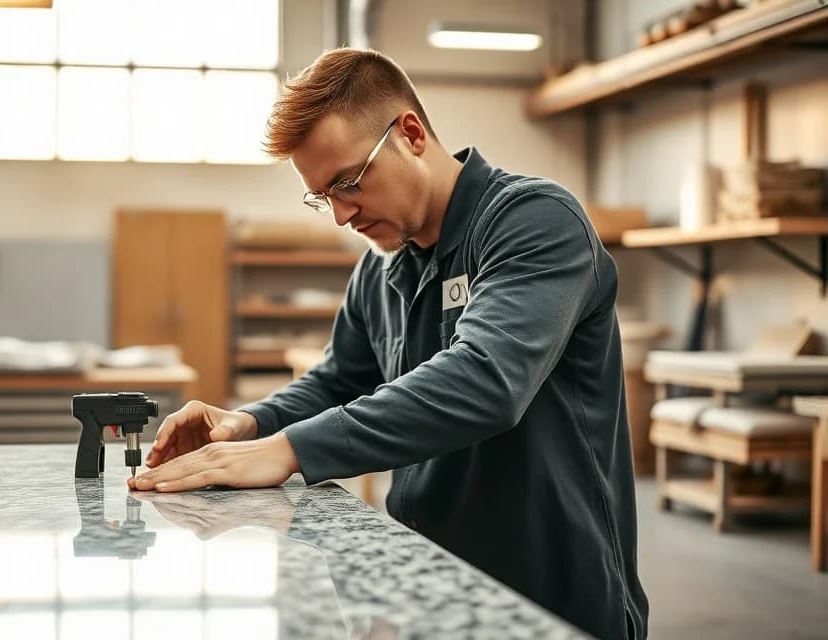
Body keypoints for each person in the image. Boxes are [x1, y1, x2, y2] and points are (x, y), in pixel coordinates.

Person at [127, 48, 648, 640]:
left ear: (411, 133)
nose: (342, 216)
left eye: (348, 182)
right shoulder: (381, 269)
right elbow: (339, 381)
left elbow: (486, 380)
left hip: (550, 589)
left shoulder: (533, 221)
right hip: (424, 577)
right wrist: (249, 425)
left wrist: (290, 450)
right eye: (324, 195)